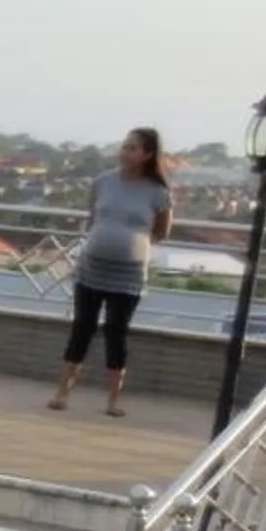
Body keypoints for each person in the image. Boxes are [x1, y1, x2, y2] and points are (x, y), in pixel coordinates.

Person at [49, 127, 174, 417]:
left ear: (147, 154)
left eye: (133, 148)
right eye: (124, 146)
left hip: (128, 274)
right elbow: (94, 217)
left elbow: (162, 231)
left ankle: (113, 401)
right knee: (82, 328)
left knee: (116, 333)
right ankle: (62, 393)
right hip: (93, 267)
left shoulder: (158, 191)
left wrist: (133, 244)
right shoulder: (103, 182)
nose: (125, 152)